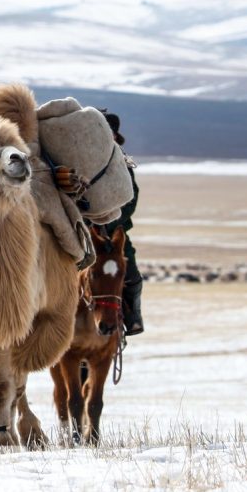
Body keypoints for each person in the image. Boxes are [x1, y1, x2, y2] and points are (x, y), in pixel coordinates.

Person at [102, 112, 144, 336]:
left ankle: (133, 317)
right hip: (82, 230)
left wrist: (110, 221)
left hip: (115, 232)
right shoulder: (81, 161)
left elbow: (131, 200)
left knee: (131, 274)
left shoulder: (123, 164)